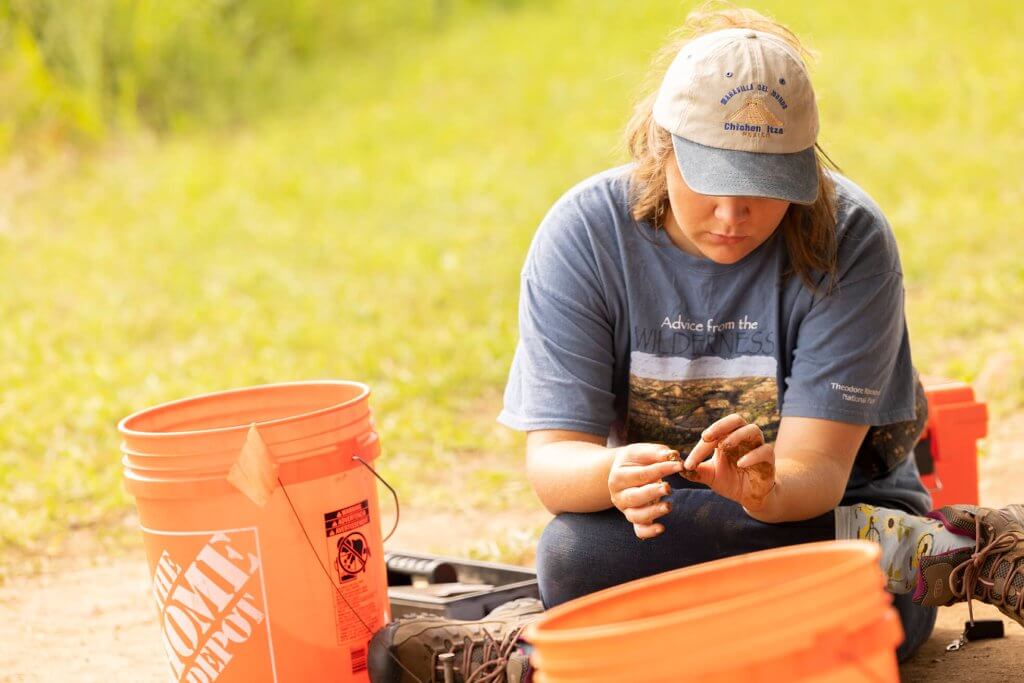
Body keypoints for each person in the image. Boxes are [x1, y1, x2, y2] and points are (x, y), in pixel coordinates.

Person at [368, 7, 1023, 683]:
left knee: (865, 597)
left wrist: (764, 489)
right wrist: (608, 474)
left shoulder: (850, 238)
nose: (734, 215)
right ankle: (943, 552)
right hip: (683, 526)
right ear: (660, 147)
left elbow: (816, 473)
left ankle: (538, 658)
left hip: (828, 513)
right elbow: (554, 463)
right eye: (712, 178)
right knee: (574, 555)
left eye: (764, 190)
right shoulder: (583, 238)